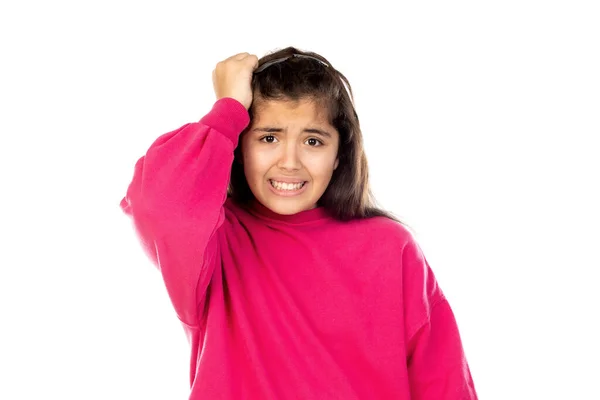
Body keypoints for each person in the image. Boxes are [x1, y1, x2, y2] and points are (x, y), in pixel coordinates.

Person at [120, 46, 478, 399]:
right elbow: (155, 201)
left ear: (339, 156)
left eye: (312, 140)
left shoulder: (391, 247)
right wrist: (226, 111)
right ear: (239, 147)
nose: (289, 161)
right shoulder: (216, 242)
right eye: (269, 137)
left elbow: (444, 383)